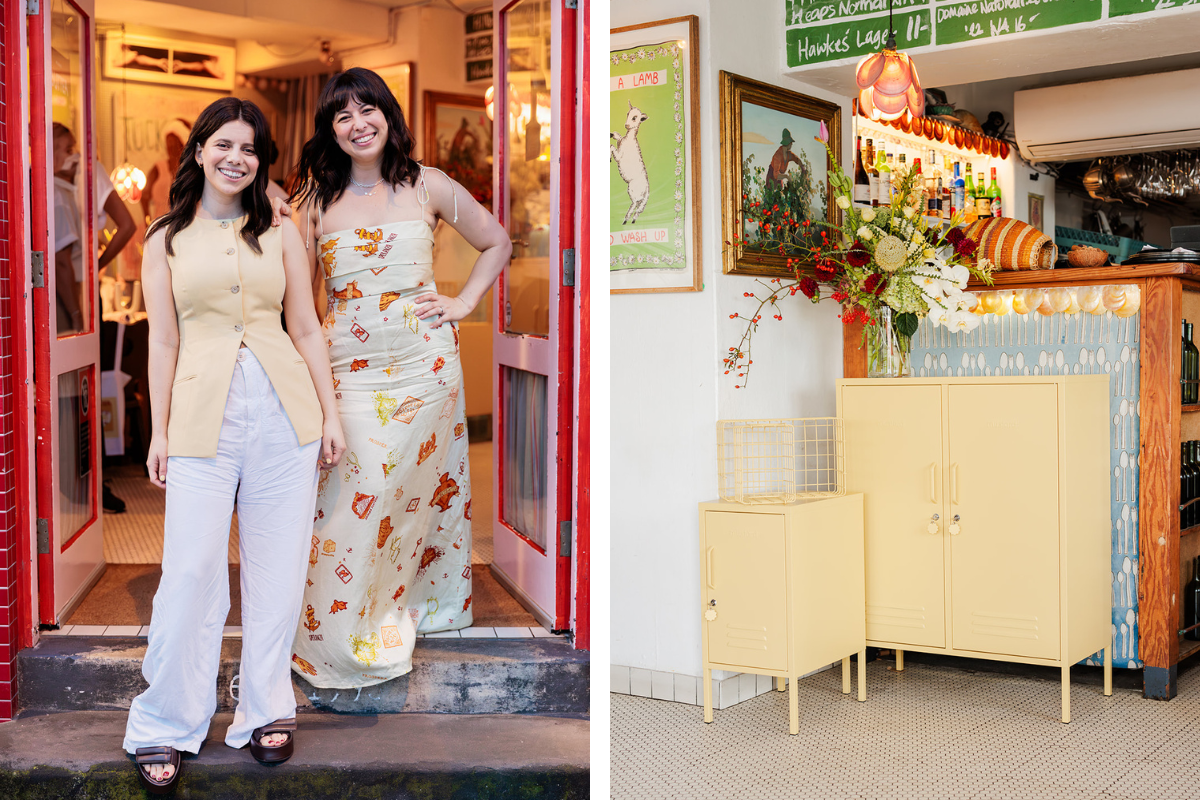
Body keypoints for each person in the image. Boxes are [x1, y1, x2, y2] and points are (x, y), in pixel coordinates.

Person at [122, 96, 345, 793]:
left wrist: (330, 417)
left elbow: (306, 328)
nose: (236, 157)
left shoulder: (280, 232)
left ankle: (266, 710)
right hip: (199, 414)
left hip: (285, 413)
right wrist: (157, 430)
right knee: (190, 571)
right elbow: (161, 338)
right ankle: (164, 720)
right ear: (198, 151)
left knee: (277, 570)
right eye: (223, 144)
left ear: (260, 162)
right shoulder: (163, 237)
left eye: (249, 148)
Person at [286, 67, 510, 689]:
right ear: (330, 129)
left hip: (426, 366)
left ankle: (406, 607)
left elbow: (498, 242)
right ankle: (341, 626)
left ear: (388, 114)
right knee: (357, 494)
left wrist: (463, 303)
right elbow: (300, 303)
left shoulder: (428, 185)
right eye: (342, 116)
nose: (358, 124)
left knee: (409, 493)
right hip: (348, 370)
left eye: (368, 110)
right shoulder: (311, 201)